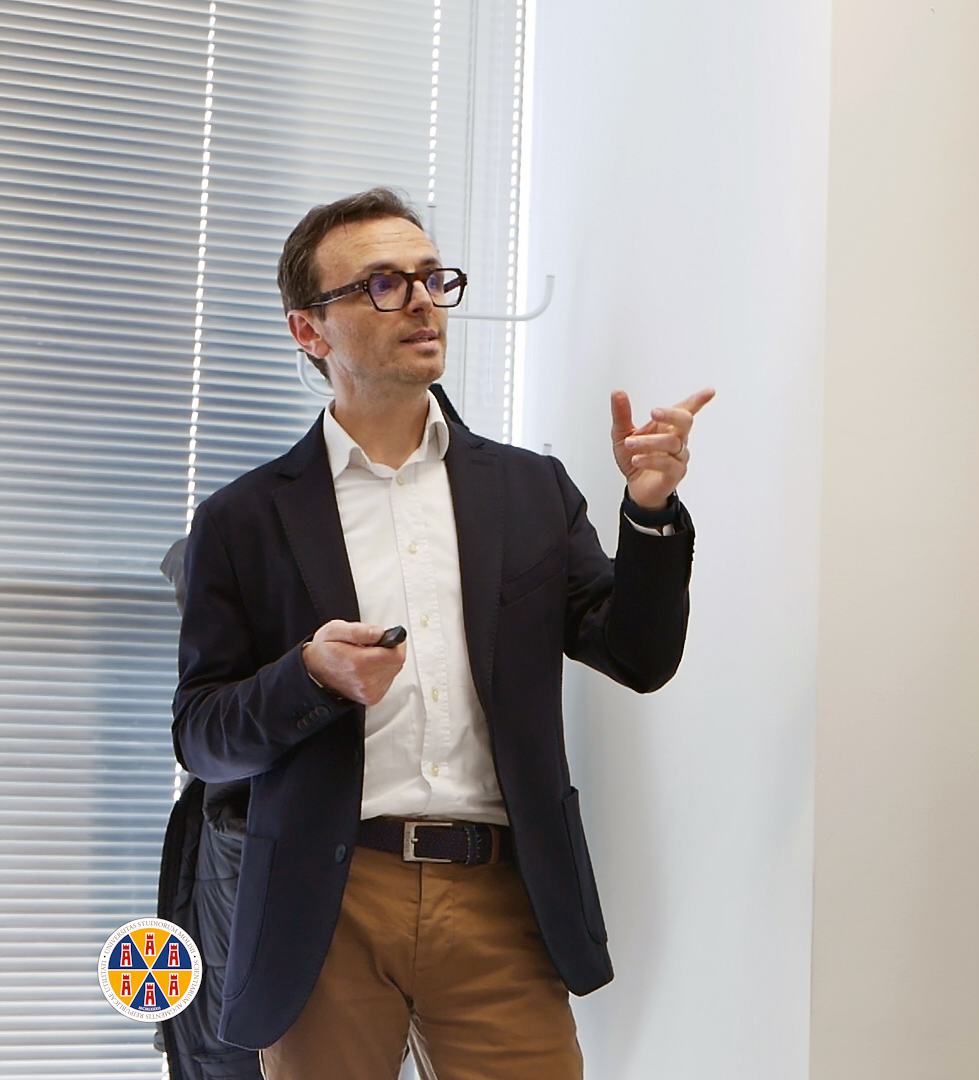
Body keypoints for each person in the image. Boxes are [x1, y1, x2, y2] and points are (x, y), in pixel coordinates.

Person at [172, 187, 712, 1078]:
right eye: (383, 284)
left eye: (432, 278)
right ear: (310, 330)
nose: (423, 301)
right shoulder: (243, 519)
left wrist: (649, 513)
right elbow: (201, 736)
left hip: (502, 893)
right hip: (325, 901)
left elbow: (639, 655)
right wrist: (308, 677)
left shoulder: (530, 491)